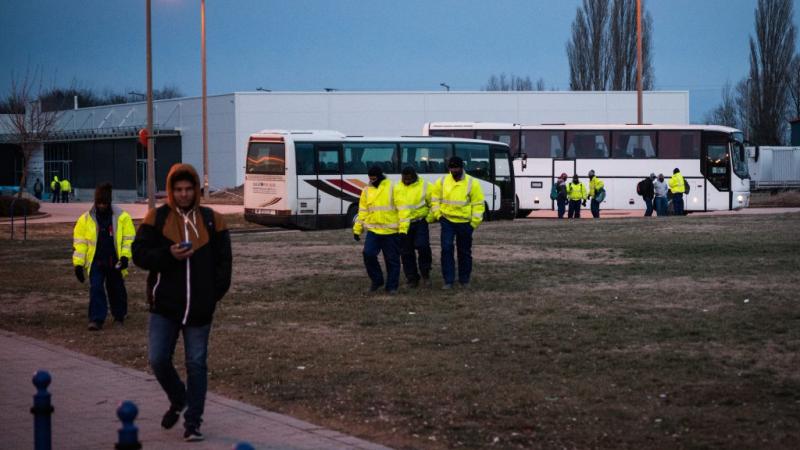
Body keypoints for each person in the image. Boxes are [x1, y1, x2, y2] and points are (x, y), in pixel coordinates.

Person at [132, 163, 232, 442]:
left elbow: (225, 264)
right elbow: (138, 253)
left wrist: (212, 296)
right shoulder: (157, 218)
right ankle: (179, 398)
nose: (184, 194)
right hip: (165, 306)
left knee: (196, 364)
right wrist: (167, 255)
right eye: (178, 190)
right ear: (171, 191)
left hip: (200, 308)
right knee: (158, 359)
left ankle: (193, 423)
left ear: (197, 190)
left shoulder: (213, 220)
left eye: (189, 189)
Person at [72, 183, 136, 331]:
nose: (101, 206)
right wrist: (78, 265)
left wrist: (125, 258)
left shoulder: (122, 217)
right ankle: (96, 319)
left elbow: (128, 239)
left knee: (116, 289)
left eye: (104, 203)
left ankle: (119, 316)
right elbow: (80, 244)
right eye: (99, 203)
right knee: (96, 288)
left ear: (109, 202)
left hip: (115, 261)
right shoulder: (85, 220)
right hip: (96, 261)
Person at [430, 156, 485, 289]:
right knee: (447, 249)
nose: (453, 170)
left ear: (462, 167)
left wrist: (473, 224)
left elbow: (478, 204)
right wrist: (439, 216)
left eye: (456, 168)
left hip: (465, 223)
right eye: (451, 168)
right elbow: (434, 199)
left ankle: (464, 279)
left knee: (464, 251)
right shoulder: (442, 181)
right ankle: (448, 280)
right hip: (447, 221)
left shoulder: (472, 183)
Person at [353, 165, 401, 294]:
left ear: (380, 176)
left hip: (391, 231)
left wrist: (403, 228)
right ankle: (377, 280)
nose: (372, 181)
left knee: (392, 260)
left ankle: (392, 287)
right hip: (373, 231)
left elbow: (402, 209)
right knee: (368, 254)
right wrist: (357, 229)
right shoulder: (367, 190)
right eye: (370, 179)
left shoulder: (392, 187)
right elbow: (362, 211)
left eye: (374, 179)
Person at [394, 166, 433, 288]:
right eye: (404, 179)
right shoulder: (397, 188)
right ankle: (412, 279)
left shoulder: (426, 186)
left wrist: (428, 218)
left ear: (414, 176)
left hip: (420, 222)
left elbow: (434, 203)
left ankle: (425, 274)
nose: (406, 182)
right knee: (406, 252)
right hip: (404, 224)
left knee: (423, 246)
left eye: (409, 179)